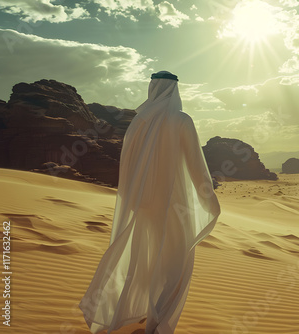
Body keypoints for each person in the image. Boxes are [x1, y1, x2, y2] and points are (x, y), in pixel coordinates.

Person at [78, 71, 221, 334]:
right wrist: (208, 198)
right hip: (175, 206)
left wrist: (136, 199)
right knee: (176, 264)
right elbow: (195, 164)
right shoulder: (181, 120)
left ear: (153, 88)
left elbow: (128, 165)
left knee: (146, 259)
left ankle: (141, 312)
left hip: (144, 205)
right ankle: (159, 322)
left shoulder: (139, 122)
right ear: (175, 91)